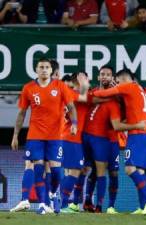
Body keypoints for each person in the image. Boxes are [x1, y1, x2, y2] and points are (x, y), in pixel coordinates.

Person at [11, 58, 78, 215]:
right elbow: (21, 113)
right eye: (41, 67)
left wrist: (74, 124)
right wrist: (15, 134)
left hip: (55, 136)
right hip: (35, 135)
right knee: (37, 167)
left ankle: (53, 193)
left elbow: (71, 107)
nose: (44, 69)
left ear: (51, 70)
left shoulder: (60, 86)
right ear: (36, 69)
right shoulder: (28, 88)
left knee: (57, 172)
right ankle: (41, 204)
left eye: (47, 67)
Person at [93, 69, 146, 215]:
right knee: (140, 171)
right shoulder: (139, 89)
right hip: (143, 135)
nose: (117, 84)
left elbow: (104, 93)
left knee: (129, 169)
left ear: (123, 79)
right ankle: (143, 207)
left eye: (118, 81)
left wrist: (91, 93)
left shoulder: (128, 86)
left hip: (136, 135)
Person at [59, 72, 90, 213]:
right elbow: (84, 95)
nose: (86, 82)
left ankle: (62, 204)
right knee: (74, 171)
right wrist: (83, 82)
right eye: (84, 78)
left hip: (71, 137)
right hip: (71, 137)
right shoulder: (71, 92)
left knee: (71, 172)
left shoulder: (70, 93)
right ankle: (64, 205)